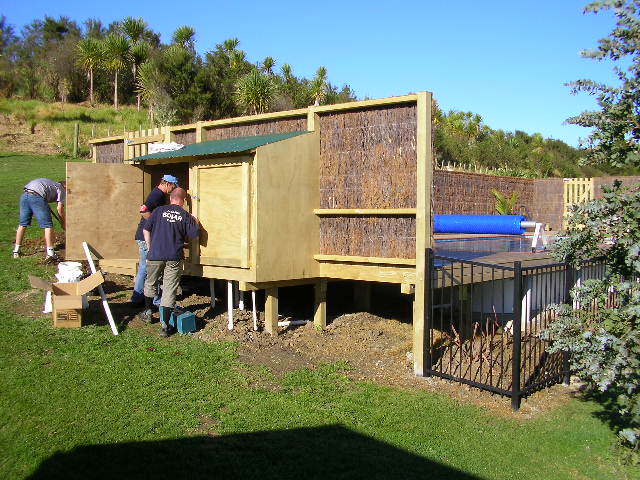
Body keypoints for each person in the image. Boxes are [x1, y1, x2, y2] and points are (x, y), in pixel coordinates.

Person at [141, 187, 200, 337]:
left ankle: (148, 312)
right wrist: (195, 221)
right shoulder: (184, 215)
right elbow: (194, 234)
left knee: (150, 282)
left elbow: (146, 229)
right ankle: (165, 326)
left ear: (171, 198)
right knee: (169, 288)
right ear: (183, 200)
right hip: (174, 256)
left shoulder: (159, 211)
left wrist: (150, 247)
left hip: (155, 255)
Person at [131, 174, 179, 306]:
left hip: (144, 236)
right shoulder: (157, 194)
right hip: (145, 237)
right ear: (168, 183)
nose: (173, 190)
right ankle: (146, 298)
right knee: (149, 268)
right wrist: (157, 224)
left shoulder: (158, 194)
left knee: (144, 268)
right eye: (173, 186)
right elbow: (143, 210)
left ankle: (138, 297)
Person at [13, 178, 66, 263]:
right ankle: (51, 253)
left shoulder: (51, 184)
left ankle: (16, 251)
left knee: (23, 224)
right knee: (48, 225)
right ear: (65, 186)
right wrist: (64, 224)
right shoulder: (61, 188)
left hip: (25, 195)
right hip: (37, 197)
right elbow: (60, 208)